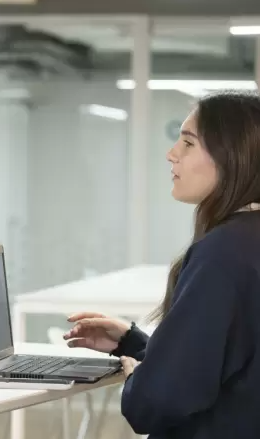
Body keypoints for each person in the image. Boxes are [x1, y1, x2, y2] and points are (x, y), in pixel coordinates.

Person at [63, 91, 260, 438]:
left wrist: (136, 378)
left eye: (187, 143)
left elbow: (156, 403)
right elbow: (222, 363)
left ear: (233, 157)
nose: (172, 154)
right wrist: (132, 342)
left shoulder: (224, 253)